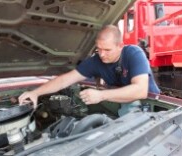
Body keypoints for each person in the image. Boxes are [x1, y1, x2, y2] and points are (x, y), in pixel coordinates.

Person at [19, 25, 160, 116]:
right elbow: (64, 80)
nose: (102, 54)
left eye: (107, 50)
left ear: (120, 46)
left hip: (152, 108)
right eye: (99, 49)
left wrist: (101, 95)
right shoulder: (95, 60)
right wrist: (35, 93)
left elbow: (140, 90)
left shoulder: (134, 53)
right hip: (121, 104)